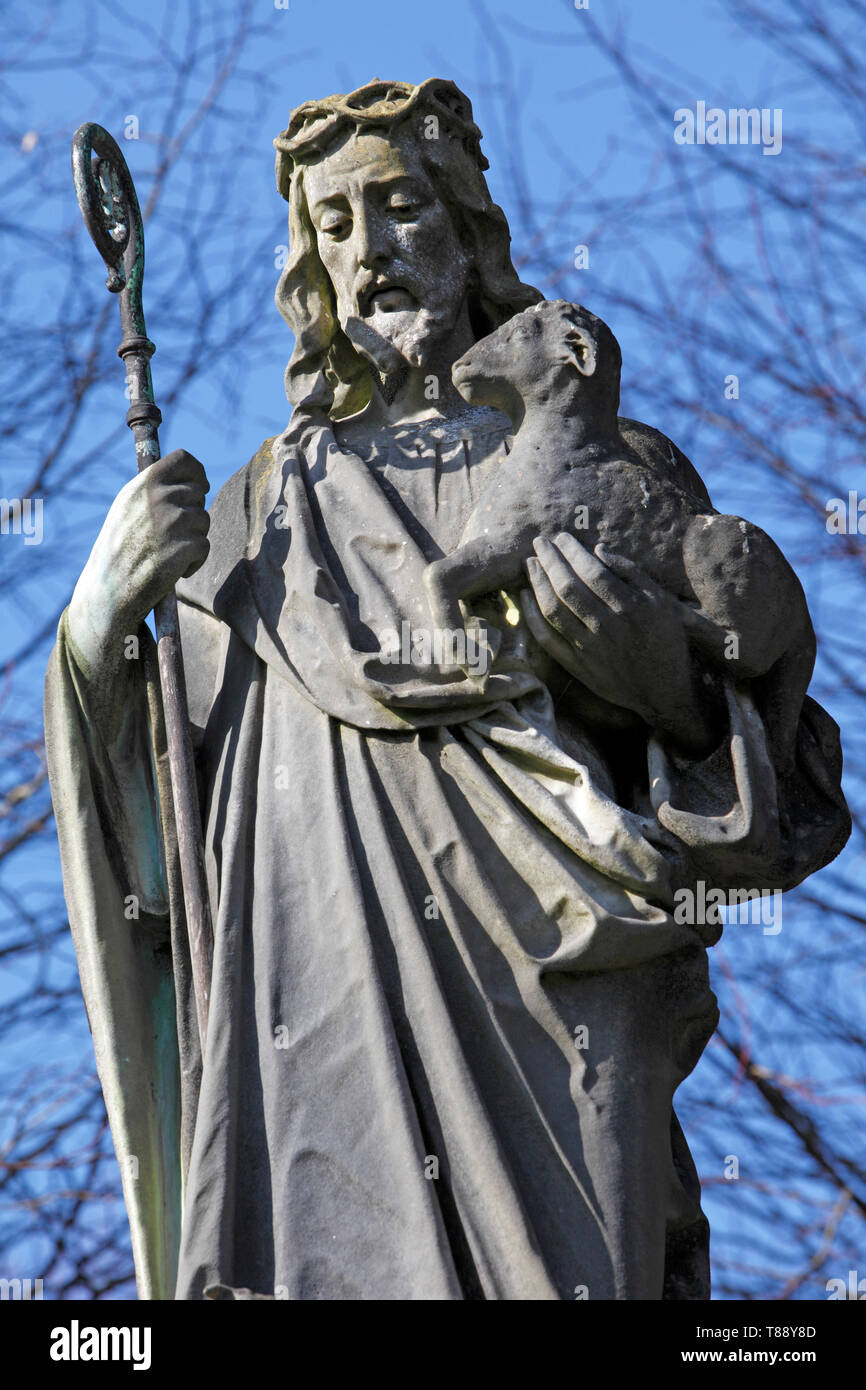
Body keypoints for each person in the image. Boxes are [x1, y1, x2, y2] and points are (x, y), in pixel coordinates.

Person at [45, 78, 849, 1301]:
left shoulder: (612, 465)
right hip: (323, 998)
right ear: (312, 266)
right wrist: (101, 623)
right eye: (335, 224)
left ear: (466, 227)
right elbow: (160, 829)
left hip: (564, 1006)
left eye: (400, 207)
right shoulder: (259, 522)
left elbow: (784, 790)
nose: (369, 250)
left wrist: (668, 695)